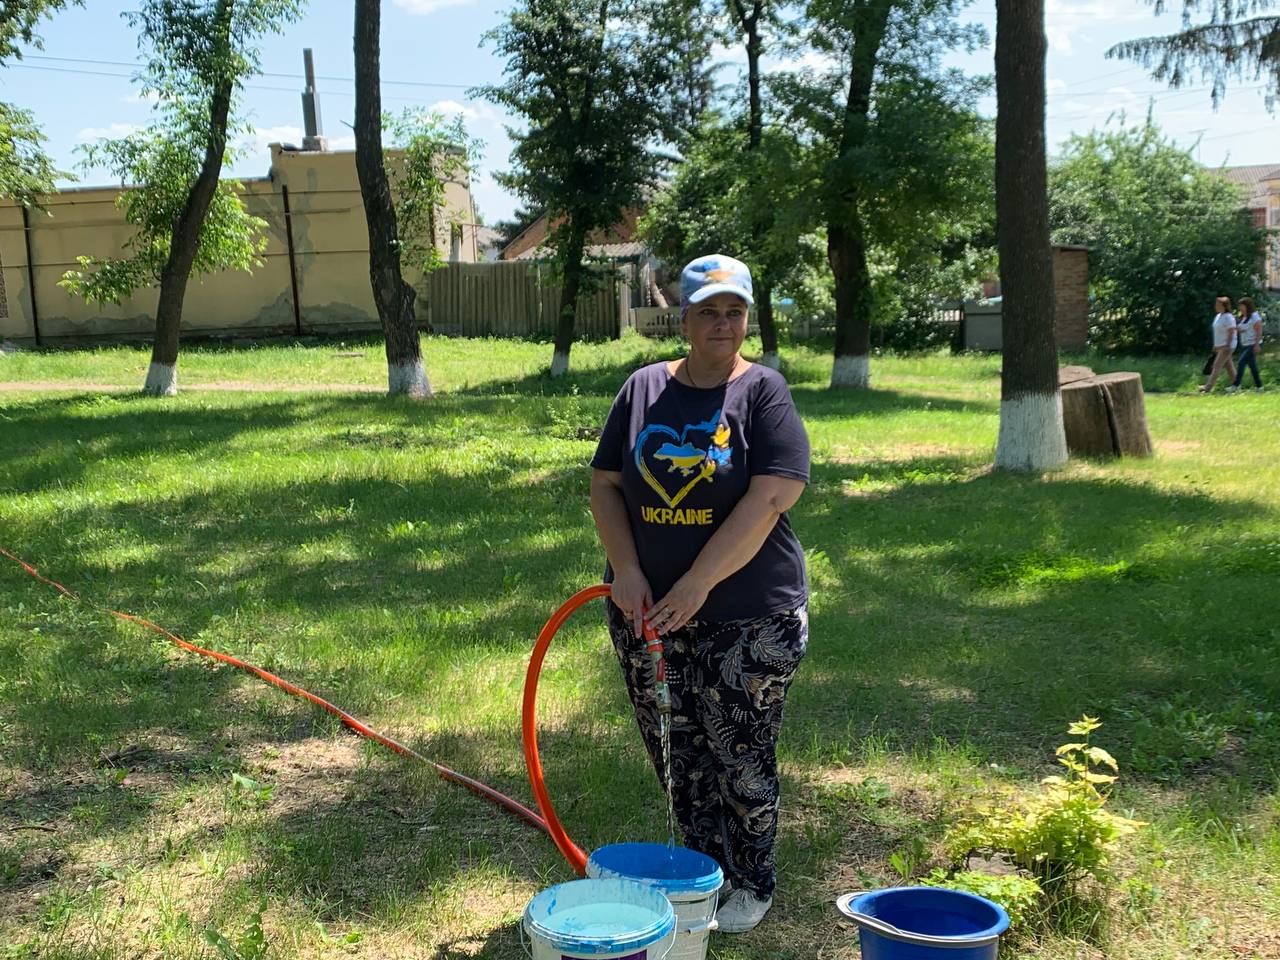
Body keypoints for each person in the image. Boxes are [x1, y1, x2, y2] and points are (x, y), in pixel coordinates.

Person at [589, 254, 810, 934]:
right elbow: (605, 484)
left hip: (747, 617)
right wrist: (625, 570)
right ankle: (700, 870)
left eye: (734, 311)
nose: (723, 323)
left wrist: (694, 584)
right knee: (677, 753)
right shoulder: (643, 389)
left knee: (738, 755)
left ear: (747, 318)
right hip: (646, 613)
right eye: (708, 311)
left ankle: (750, 881)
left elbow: (772, 495)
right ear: (682, 318)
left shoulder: (763, 393)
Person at [1200, 296, 1237, 393]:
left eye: (1218, 304)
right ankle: (1237, 385)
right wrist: (1216, 345)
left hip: (1227, 346)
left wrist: (1228, 345)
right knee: (1229, 367)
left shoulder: (1228, 317)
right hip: (1219, 345)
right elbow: (1217, 332)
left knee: (1216, 365)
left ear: (1224, 306)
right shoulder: (1218, 316)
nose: (1216, 306)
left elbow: (1231, 331)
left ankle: (1207, 388)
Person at [1230, 296, 1264, 391]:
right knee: (1252, 367)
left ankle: (1235, 385)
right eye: (1239, 306)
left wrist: (1257, 345)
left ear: (1247, 306)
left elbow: (1259, 331)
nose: (1240, 308)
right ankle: (1259, 386)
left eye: (1242, 306)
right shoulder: (1244, 317)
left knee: (1241, 362)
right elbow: (1245, 329)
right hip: (1245, 345)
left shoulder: (1255, 316)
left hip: (1253, 344)